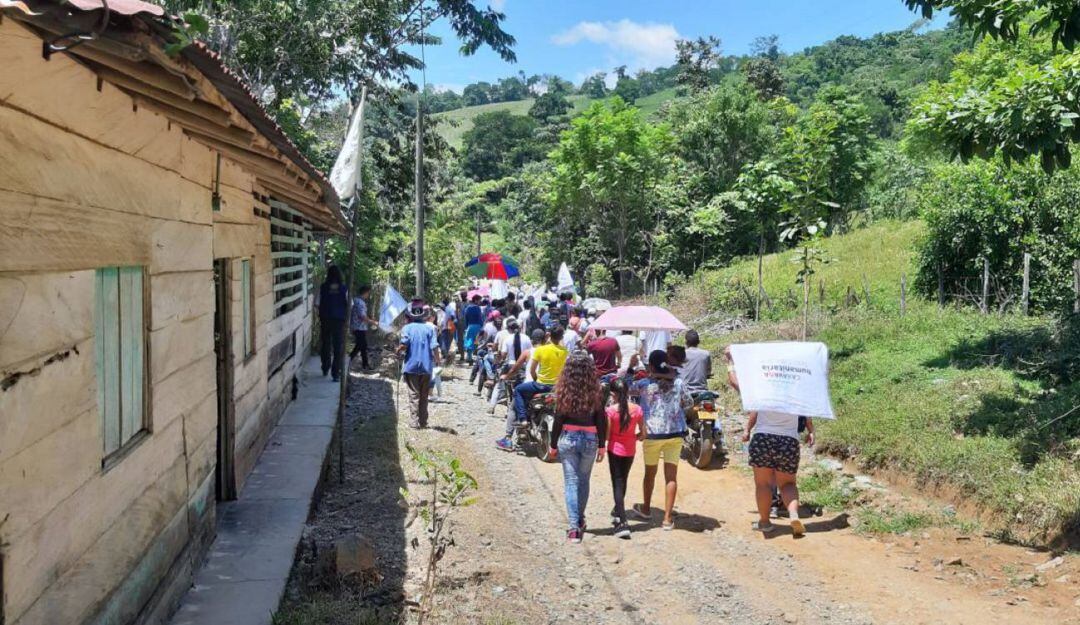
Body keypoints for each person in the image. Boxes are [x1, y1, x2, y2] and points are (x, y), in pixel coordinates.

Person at [631, 350, 692, 530]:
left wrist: (631, 365)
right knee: (671, 476)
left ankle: (647, 509)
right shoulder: (679, 382)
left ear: (650, 365)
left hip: (652, 434)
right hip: (675, 434)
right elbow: (688, 403)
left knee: (650, 473)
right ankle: (667, 519)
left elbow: (623, 386)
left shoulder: (643, 384)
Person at [549, 352, 607, 543]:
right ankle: (579, 519)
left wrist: (553, 444)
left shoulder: (565, 389)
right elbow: (601, 418)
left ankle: (574, 528)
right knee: (583, 480)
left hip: (569, 438)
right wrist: (601, 445)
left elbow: (558, 418)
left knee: (571, 483)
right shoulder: (597, 390)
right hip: (590, 438)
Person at [497, 325, 568, 451]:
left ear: (549, 335)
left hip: (539, 385)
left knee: (518, 392)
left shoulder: (539, 350)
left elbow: (531, 369)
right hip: (555, 387)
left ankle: (514, 430)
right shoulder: (564, 351)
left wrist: (536, 380)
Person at [605, 378, 645, 539]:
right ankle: (617, 510)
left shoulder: (611, 411)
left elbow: (607, 435)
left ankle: (622, 521)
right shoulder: (637, 409)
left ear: (612, 394)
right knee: (624, 479)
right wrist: (633, 438)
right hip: (630, 449)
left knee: (617, 482)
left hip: (615, 449)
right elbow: (643, 433)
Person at [396, 301, 440, 429]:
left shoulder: (407, 328)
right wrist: (437, 360)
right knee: (424, 394)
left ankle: (414, 422)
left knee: (414, 394)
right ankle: (423, 421)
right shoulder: (430, 328)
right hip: (427, 365)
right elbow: (434, 346)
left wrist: (398, 350)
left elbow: (404, 345)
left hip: (412, 365)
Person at [489, 318, 532, 411]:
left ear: (509, 329)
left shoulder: (508, 339)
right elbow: (530, 353)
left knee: (499, 384)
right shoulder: (527, 338)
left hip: (510, 365)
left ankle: (492, 406)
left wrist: (499, 361)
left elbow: (503, 355)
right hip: (523, 367)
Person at [316, 265, 348, 381]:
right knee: (337, 346)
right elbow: (351, 304)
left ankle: (325, 367)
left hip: (325, 319)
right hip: (338, 320)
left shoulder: (323, 287)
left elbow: (317, 303)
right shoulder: (344, 288)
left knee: (325, 344)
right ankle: (335, 373)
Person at [349, 284, 376, 371]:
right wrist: (373, 322)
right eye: (368, 293)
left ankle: (349, 360)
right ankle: (365, 364)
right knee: (362, 345)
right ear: (365, 293)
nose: (369, 295)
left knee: (360, 345)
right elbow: (362, 316)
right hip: (359, 327)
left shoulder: (356, 300)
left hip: (357, 326)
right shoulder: (360, 302)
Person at [462, 294, 484, 364]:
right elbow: (480, 318)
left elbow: (466, 319)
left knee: (469, 341)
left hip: (470, 326)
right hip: (477, 326)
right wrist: (482, 326)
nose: (480, 302)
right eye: (479, 300)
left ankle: (469, 357)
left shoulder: (467, 308)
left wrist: (466, 327)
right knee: (477, 341)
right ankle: (477, 357)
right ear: (476, 300)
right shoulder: (477, 308)